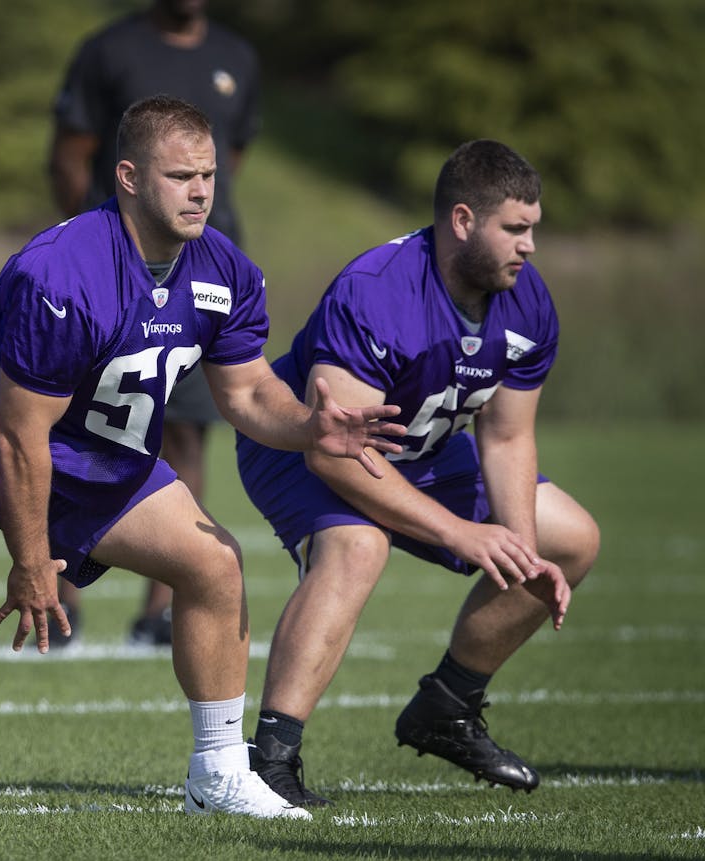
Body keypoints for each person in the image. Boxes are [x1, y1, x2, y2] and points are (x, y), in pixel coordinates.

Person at [0, 96, 406, 819]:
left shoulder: (228, 272)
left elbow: (247, 393)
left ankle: (218, 769)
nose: (201, 191)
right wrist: (32, 566)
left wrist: (311, 426)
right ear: (127, 176)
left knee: (214, 563)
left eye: (209, 174)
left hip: (94, 445)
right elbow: (19, 437)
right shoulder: (64, 271)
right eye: (181, 175)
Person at [235, 140, 596, 807]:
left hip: (418, 451)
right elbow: (334, 450)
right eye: (515, 228)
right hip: (307, 445)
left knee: (569, 537)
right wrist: (462, 534)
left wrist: (514, 545)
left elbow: (508, 433)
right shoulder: (377, 292)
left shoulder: (526, 302)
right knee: (357, 544)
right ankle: (271, 758)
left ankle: (448, 706)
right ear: (462, 222)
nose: (531, 246)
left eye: (534, 228)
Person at [49, 0, 261, 646]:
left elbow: (233, 155)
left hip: (195, 279)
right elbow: (69, 153)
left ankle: (159, 609)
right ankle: (57, 599)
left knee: (187, 435)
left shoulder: (238, 56)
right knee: (66, 423)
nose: (199, 183)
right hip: (113, 272)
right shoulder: (109, 49)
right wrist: (95, 239)